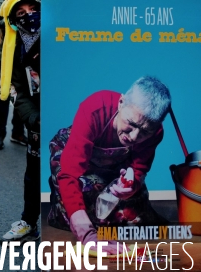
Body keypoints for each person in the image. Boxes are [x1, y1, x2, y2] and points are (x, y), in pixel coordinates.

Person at [48, 76, 171, 254]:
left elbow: (139, 169)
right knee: (83, 194)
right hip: (73, 156)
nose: (134, 137)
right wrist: (88, 235)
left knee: (135, 215)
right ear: (121, 103)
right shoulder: (94, 109)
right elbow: (69, 174)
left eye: (145, 132)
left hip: (113, 164)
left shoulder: (156, 132)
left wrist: (132, 185)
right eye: (131, 124)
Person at [0, 0, 42, 242]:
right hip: (36, 122)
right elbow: (16, 90)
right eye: (21, 12)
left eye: (33, 8)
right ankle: (29, 222)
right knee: (33, 175)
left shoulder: (64, 36)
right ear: (13, 20)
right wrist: (34, 119)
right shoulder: (15, 51)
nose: (28, 15)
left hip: (69, 120)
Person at [0, 0, 41, 150]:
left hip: (30, 52)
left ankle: (18, 132)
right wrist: (11, 16)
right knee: (4, 94)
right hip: (8, 54)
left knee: (28, 92)